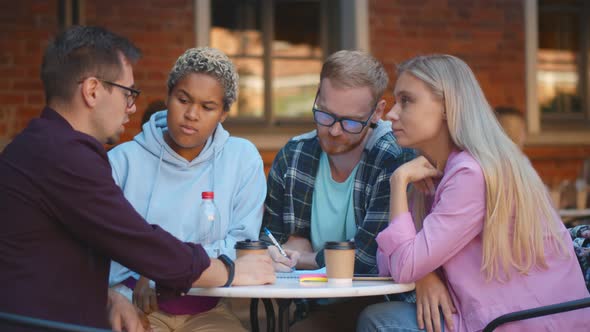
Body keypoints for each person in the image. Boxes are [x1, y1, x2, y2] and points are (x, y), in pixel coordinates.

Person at [0, 26, 274, 332]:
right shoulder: (67, 159)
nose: (132, 107)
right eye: (127, 93)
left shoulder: (36, 146)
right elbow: (139, 243)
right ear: (92, 91)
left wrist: (107, 297)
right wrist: (228, 270)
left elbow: (59, 260)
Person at [357, 54, 589, 332]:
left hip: (526, 322)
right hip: (489, 314)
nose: (393, 114)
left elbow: (403, 264)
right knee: (381, 316)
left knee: (381, 321)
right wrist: (425, 274)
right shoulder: (436, 171)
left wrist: (398, 181)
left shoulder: (471, 173)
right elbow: (391, 264)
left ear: (447, 106)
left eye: (406, 101)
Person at [108, 47, 266, 332]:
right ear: (168, 96)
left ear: (224, 113)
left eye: (207, 107)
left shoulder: (242, 159)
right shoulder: (122, 162)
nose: (192, 114)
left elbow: (240, 248)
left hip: (210, 310)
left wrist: (159, 270)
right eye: (183, 100)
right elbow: (106, 247)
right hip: (137, 306)